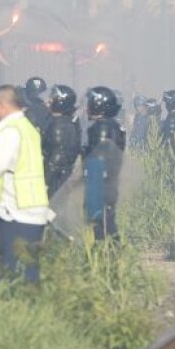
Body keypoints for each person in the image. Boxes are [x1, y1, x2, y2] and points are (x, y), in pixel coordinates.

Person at [0, 85, 51, 283]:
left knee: (12, 271)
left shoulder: (10, 132)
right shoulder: (26, 128)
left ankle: (15, 307)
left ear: (2, 106)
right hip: (30, 209)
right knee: (28, 270)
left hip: (14, 211)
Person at [82, 86, 126, 241]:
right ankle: (109, 255)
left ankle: (106, 256)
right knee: (106, 221)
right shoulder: (112, 124)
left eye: (90, 103)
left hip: (100, 184)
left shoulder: (102, 127)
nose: (86, 107)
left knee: (101, 224)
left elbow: (98, 159)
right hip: (108, 183)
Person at [42, 84, 82, 199]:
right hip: (61, 175)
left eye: (52, 97)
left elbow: (58, 154)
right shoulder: (65, 121)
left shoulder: (60, 125)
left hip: (56, 178)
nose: (48, 100)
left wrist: (45, 180)